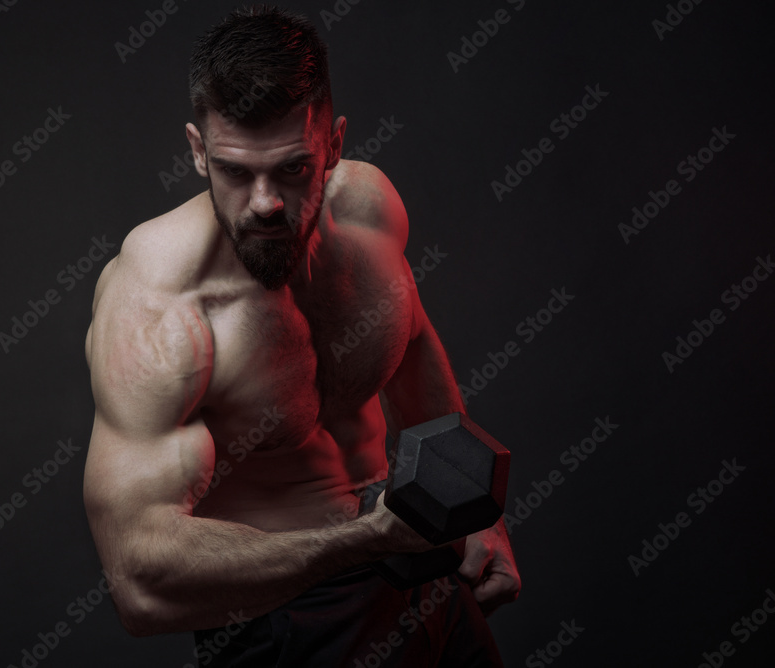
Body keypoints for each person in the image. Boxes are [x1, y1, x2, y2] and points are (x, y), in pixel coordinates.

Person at [83, 5, 520, 665]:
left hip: (424, 567)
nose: (265, 201)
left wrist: (478, 513)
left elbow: (411, 349)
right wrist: (368, 541)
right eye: (235, 170)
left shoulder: (370, 212)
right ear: (199, 151)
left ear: (333, 146)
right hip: (289, 618)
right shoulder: (161, 305)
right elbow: (139, 583)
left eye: (292, 168)